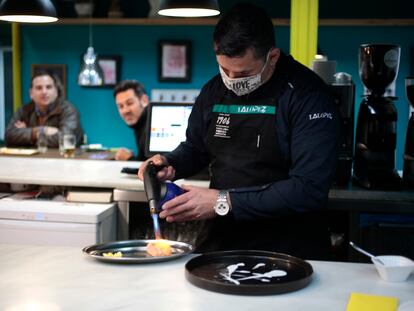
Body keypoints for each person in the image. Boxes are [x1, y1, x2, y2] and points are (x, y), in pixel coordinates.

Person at [138, 3, 340, 260]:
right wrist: (171, 163)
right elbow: (196, 148)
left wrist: (222, 201)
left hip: (289, 249)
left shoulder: (308, 96)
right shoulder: (213, 91)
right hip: (222, 243)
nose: (233, 80)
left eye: (244, 73)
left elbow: (308, 189)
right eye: (225, 70)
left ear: (273, 57)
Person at [5, 71, 83, 148]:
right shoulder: (23, 110)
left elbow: (66, 139)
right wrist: (39, 131)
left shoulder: (68, 110)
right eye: (39, 88)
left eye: (48, 87)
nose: (44, 92)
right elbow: (9, 137)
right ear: (31, 93)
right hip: (31, 159)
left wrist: (27, 134)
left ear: (56, 92)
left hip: (62, 158)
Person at [113, 80, 149, 161]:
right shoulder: (140, 125)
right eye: (120, 106)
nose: (125, 110)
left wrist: (129, 158)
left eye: (130, 103)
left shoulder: (152, 126)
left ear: (144, 100)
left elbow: (157, 169)